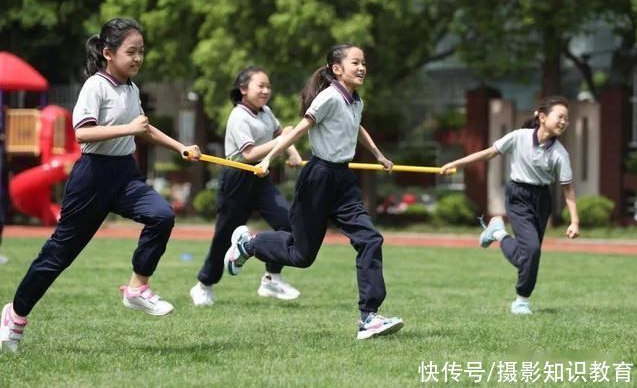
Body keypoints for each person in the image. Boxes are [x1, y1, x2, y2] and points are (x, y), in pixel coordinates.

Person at [0, 17, 201, 352]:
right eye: (131, 51)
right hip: (92, 177)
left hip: (124, 175)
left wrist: (179, 146)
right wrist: (129, 130)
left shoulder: (131, 88)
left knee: (161, 215)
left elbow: (144, 128)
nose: (138, 58)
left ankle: (137, 288)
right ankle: (15, 315)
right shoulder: (96, 86)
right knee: (58, 255)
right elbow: (83, 133)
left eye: (141, 52)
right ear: (109, 53)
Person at [223, 43, 404, 340]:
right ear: (337, 69)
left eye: (363, 63)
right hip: (318, 178)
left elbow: (358, 127)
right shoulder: (329, 97)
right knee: (301, 255)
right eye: (355, 63)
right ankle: (248, 245)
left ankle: (369, 317)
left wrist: (379, 155)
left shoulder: (355, 101)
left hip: (343, 181)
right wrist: (268, 158)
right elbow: (297, 130)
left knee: (370, 238)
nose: (362, 68)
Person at [440, 95, 580, 315]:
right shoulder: (519, 137)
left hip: (542, 200)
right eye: (560, 116)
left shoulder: (560, 154)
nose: (564, 122)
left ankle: (498, 234)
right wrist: (456, 163)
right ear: (542, 117)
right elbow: (488, 153)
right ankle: (521, 301)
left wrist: (574, 220)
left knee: (530, 255)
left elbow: (568, 189)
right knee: (531, 250)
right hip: (518, 196)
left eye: (567, 119)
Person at [189, 66, 302, 306]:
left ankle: (272, 279)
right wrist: (281, 142)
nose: (266, 90)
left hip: (261, 179)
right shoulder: (238, 116)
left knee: (288, 223)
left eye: (268, 86)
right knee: (223, 236)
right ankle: (203, 285)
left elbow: (283, 133)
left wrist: (292, 152)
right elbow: (249, 153)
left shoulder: (266, 112)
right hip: (237, 178)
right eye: (260, 86)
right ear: (243, 89)